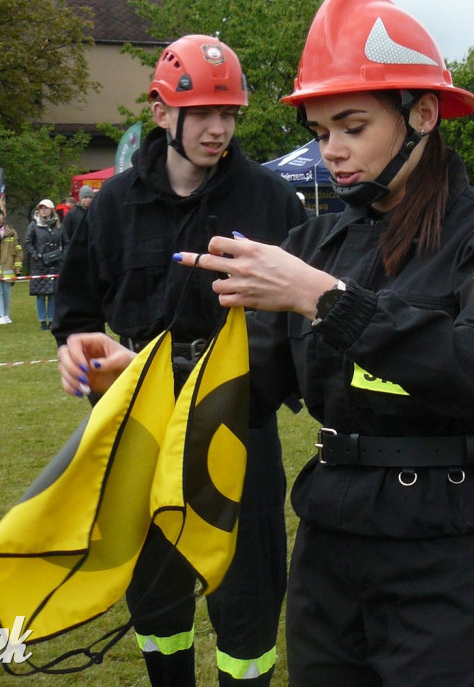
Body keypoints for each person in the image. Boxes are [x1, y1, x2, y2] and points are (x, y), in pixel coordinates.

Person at [60, 0, 474, 687]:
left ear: (424, 113)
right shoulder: (320, 237)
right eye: (320, 132)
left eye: (351, 126)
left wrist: (324, 299)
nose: (332, 154)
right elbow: (248, 376)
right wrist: (139, 371)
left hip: (451, 545)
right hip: (332, 541)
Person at [52, 35, 306, 687]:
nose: (219, 129)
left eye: (230, 114)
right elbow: (77, 308)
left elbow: (297, 330)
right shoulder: (112, 206)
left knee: (246, 598)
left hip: (237, 432)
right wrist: (76, 347)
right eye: (205, 114)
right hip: (142, 429)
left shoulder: (270, 202)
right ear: (163, 112)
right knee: (156, 595)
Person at [24, 199, 63, 330]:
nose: (43, 210)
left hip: (54, 263)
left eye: (46, 208)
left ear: (51, 209)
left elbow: (66, 241)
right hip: (39, 265)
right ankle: (42, 321)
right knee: (40, 294)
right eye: (41, 208)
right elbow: (28, 242)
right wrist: (36, 255)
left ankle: (52, 320)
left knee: (52, 293)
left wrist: (62, 254)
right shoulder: (34, 225)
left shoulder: (58, 225)